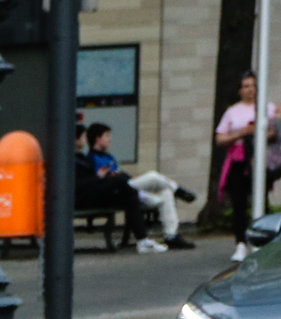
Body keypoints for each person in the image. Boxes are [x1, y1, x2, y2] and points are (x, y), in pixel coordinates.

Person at [81, 123, 194, 252]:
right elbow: (99, 180)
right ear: (97, 138)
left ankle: (171, 235)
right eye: (106, 136)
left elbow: (120, 173)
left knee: (165, 192)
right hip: (115, 190)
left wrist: (129, 177)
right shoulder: (91, 158)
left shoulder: (109, 156)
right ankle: (177, 189)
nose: (110, 139)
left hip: (125, 185)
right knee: (152, 176)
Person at [215, 74, 279, 260]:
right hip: (238, 160)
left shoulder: (267, 108)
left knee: (262, 201)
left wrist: (262, 133)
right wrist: (242, 133)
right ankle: (241, 243)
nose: (249, 90)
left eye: (252, 86)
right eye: (245, 86)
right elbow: (220, 137)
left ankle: (267, 241)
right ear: (240, 90)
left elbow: (275, 131)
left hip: (260, 160)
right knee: (239, 203)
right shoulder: (233, 112)